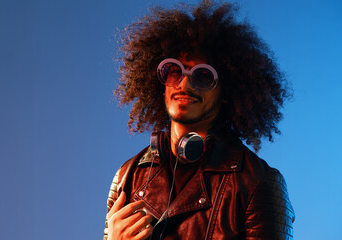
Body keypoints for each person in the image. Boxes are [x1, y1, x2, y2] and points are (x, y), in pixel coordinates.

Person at [104, 1, 295, 239]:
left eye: (202, 76)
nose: (184, 83)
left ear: (225, 92)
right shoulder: (127, 176)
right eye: (174, 70)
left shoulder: (258, 182)